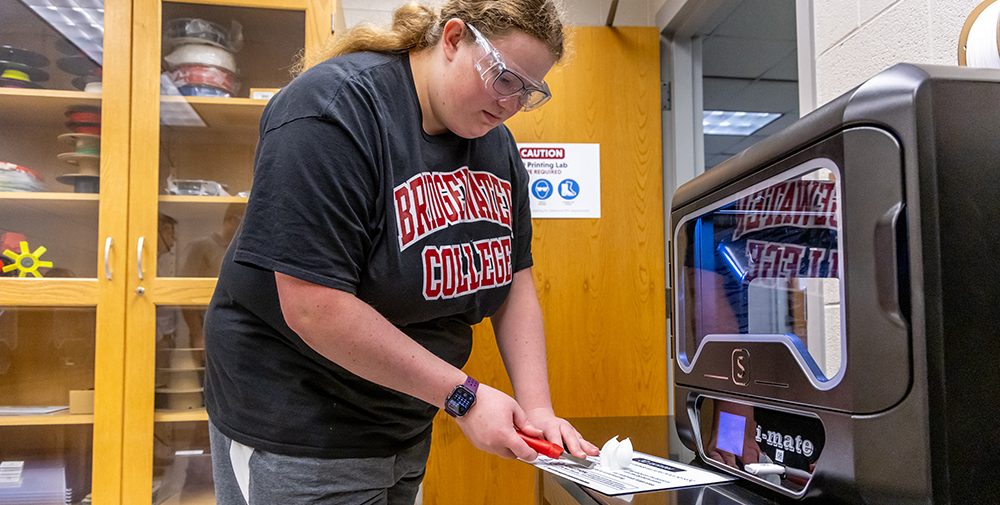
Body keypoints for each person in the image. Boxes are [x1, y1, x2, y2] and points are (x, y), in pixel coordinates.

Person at [203, 1, 600, 504]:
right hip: (301, 422)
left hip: (404, 416)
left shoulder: (496, 148)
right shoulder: (333, 110)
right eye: (504, 77)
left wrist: (538, 408)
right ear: (454, 39)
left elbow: (514, 283)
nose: (510, 103)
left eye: (528, 90)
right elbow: (313, 306)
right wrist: (465, 398)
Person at [179, 202, 245, 350]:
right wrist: (198, 336)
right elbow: (185, 295)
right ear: (231, 219)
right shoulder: (201, 246)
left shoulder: (239, 251)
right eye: (244, 222)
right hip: (208, 330)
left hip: (236, 332)